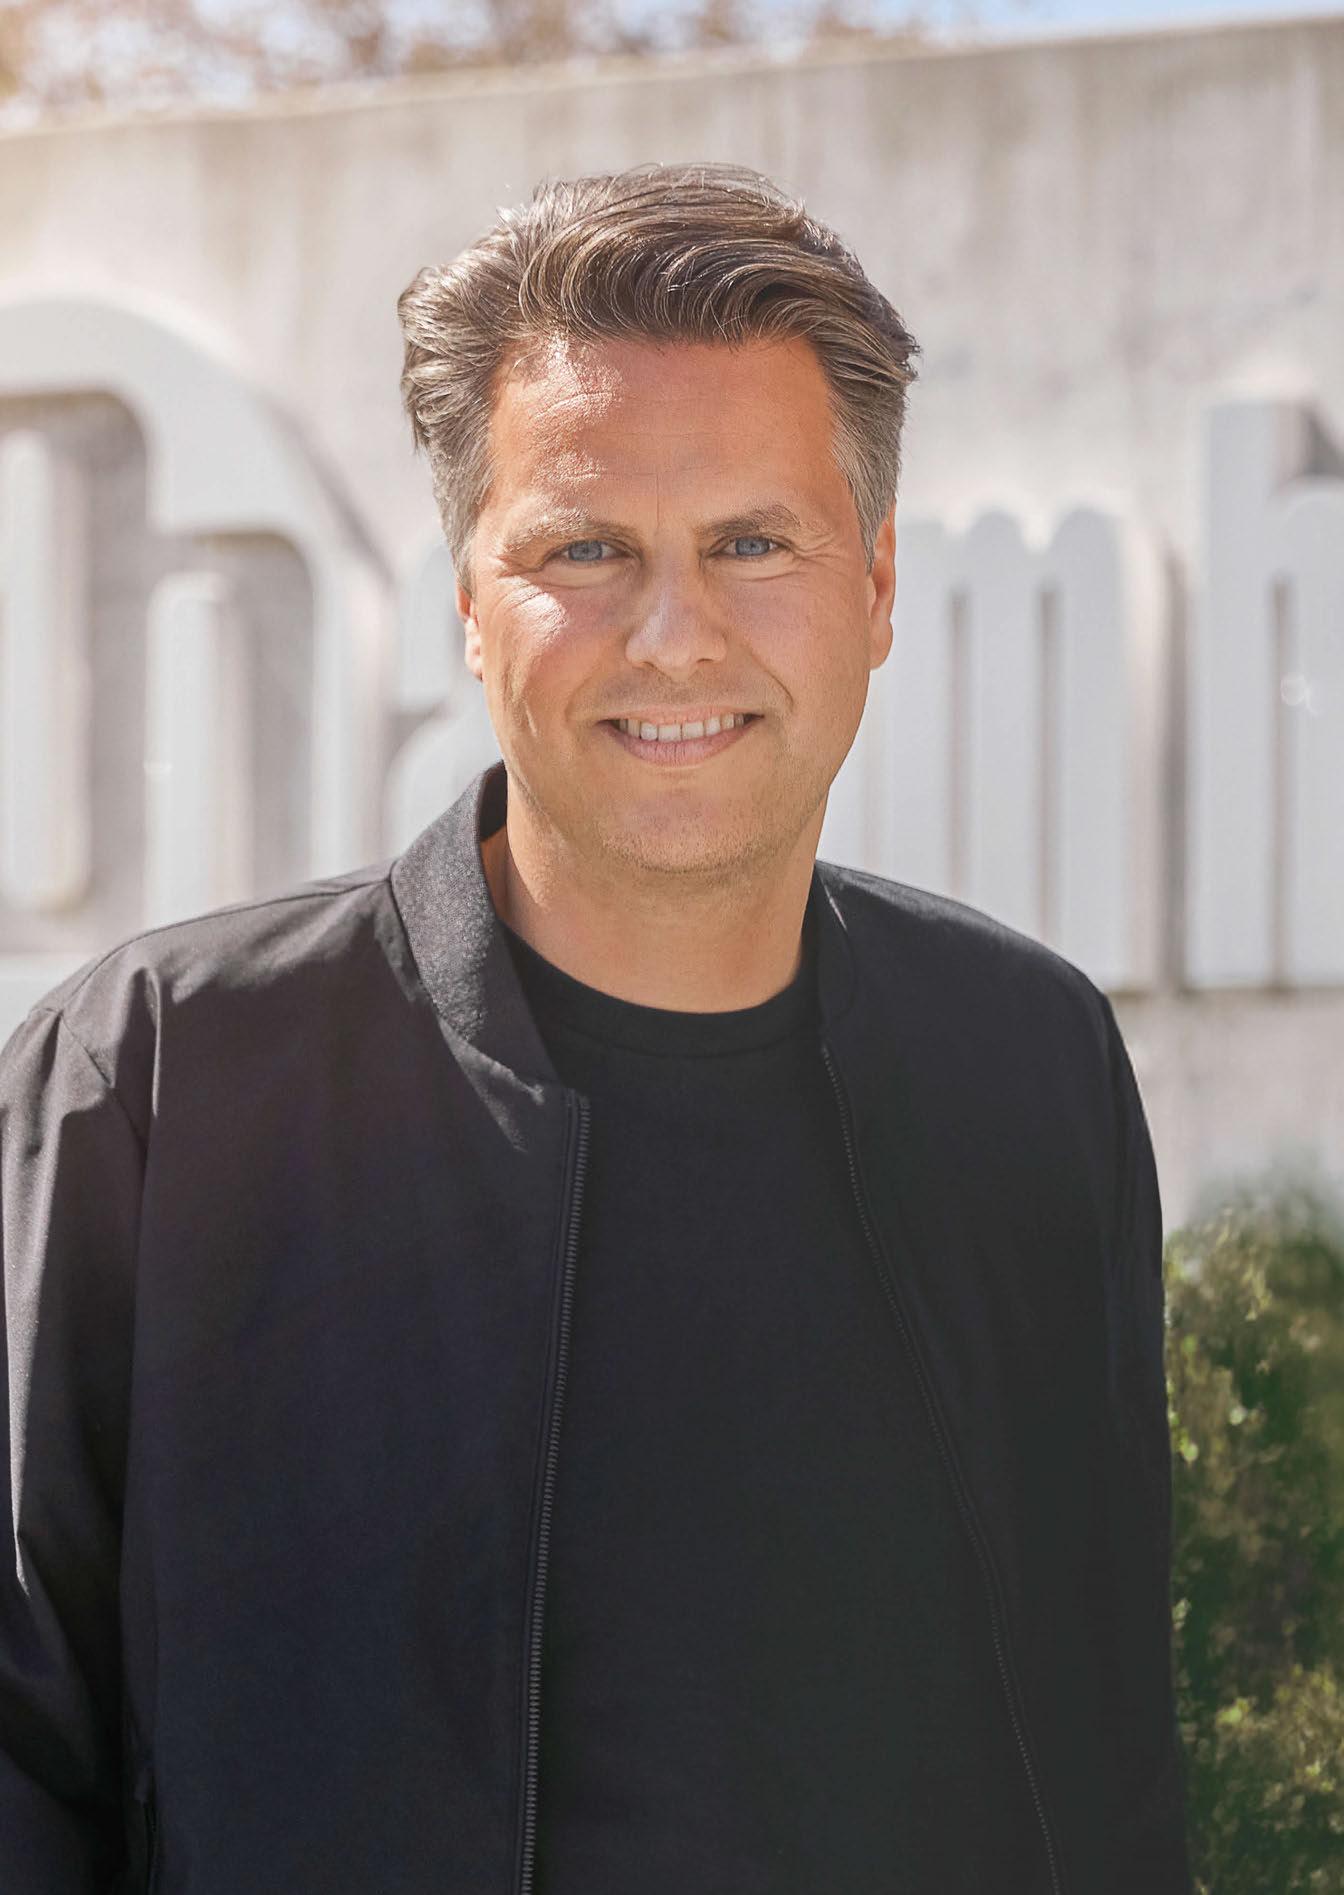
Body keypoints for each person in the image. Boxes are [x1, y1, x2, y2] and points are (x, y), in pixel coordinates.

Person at [0, 161, 1190, 1894]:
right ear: (470, 606)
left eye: (753, 543)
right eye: (584, 549)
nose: (674, 636)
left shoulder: (1029, 1065)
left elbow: (1112, 1743)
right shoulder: (160, 1086)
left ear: (873, 588)